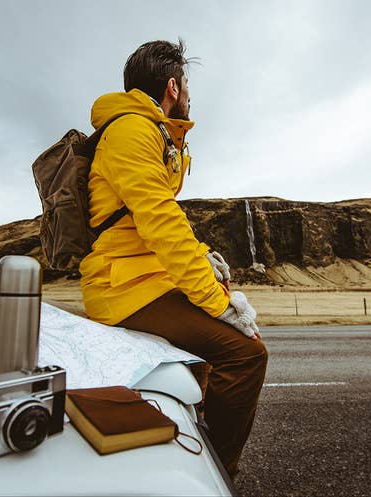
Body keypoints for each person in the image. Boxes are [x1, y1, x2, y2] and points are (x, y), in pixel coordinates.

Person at [79, 39, 268, 476]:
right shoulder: (132, 131)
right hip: (121, 287)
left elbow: (154, 221)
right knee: (246, 354)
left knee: (203, 358)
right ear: (172, 87)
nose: (188, 96)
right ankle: (219, 475)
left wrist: (205, 259)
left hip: (145, 276)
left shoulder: (156, 132)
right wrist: (219, 304)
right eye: (186, 86)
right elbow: (159, 221)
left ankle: (185, 447)